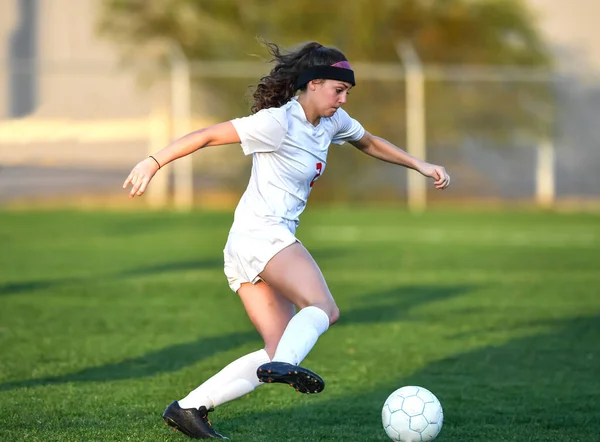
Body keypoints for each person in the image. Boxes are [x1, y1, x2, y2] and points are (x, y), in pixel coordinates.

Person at [123, 40, 450, 440]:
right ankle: (283, 367)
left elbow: (369, 142)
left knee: (278, 348)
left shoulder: (332, 122)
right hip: (264, 234)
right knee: (323, 309)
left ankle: (190, 407)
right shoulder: (278, 122)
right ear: (313, 84)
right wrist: (153, 161)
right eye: (338, 90)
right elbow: (208, 135)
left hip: (247, 242)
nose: (344, 99)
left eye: (347, 93)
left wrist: (420, 164)